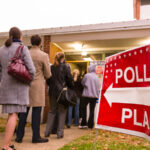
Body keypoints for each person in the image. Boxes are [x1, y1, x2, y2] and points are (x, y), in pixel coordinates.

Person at [0, 27, 36, 150]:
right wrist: (28, 81)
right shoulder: (22, 48)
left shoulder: (1, 50)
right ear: (20, 36)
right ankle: (5, 146)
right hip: (19, 88)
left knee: (11, 114)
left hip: (5, 87)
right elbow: (32, 70)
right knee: (14, 115)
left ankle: (9, 143)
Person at [16, 35, 51, 143]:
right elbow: (48, 74)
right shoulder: (44, 55)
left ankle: (19, 136)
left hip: (25, 84)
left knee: (23, 112)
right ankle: (36, 137)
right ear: (40, 43)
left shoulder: (25, 53)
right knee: (36, 112)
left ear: (31, 42)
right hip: (38, 86)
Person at [45, 52, 74, 138]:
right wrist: (71, 87)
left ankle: (47, 132)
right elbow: (70, 80)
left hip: (52, 92)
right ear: (63, 59)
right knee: (62, 112)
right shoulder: (66, 67)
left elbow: (48, 80)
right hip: (62, 93)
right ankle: (60, 133)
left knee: (51, 111)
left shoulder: (51, 67)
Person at [79, 65, 100, 129]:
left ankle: (83, 124)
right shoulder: (97, 77)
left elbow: (82, 83)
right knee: (92, 110)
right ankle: (90, 125)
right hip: (94, 96)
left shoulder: (87, 75)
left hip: (86, 95)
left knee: (83, 108)